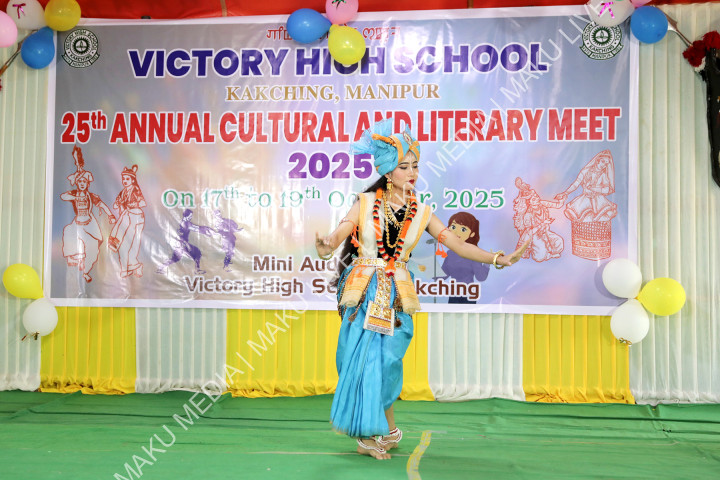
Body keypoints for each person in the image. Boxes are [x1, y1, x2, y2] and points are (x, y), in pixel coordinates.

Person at [314, 120, 528, 460]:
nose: (412, 172)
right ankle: (367, 436)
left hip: (397, 294)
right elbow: (340, 233)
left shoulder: (423, 212)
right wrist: (326, 246)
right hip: (364, 290)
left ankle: (388, 429)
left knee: (389, 361)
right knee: (363, 360)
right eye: (404, 166)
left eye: (415, 166)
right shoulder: (365, 203)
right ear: (388, 171)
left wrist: (497, 258)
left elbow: (457, 244)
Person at [60, 146, 116, 283]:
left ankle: (86, 270)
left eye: (84, 181)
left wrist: (110, 215)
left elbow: (102, 205)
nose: (82, 183)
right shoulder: (74, 193)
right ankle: (74, 259)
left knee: (97, 246)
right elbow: (63, 196)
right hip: (78, 223)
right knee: (68, 233)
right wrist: (75, 194)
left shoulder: (92, 195)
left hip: (90, 222)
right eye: (80, 181)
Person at [437, 212, 490, 304]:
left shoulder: (473, 253)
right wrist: (428, 267)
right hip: (454, 293)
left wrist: (488, 261)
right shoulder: (450, 254)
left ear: (472, 234)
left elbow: (481, 277)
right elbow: (442, 276)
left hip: (468, 293)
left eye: (463, 229)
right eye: (453, 227)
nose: (456, 232)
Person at [513, 177, 564, 262]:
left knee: (558, 241)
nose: (537, 199)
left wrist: (562, 200)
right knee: (540, 256)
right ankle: (540, 250)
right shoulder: (528, 215)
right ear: (529, 202)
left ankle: (550, 252)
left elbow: (557, 205)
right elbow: (530, 231)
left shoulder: (541, 203)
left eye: (536, 197)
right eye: (534, 199)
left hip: (545, 232)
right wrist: (543, 223)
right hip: (534, 235)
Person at [109, 165, 146, 278]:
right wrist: (118, 204)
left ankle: (134, 266)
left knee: (133, 244)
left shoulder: (135, 190)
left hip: (136, 218)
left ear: (132, 180)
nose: (125, 181)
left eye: (127, 179)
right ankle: (127, 267)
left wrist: (133, 204)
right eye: (123, 179)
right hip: (127, 217)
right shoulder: (123, 192)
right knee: (124, 244)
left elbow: (143, 203)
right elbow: (116, 205)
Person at [156, 209, 212, 275]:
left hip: (178, 244)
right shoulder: (186, 223)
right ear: (186, 216)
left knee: (176, 258)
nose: (191, 217)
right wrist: (206, 230)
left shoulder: (182, 222)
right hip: (182, 244)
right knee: (197, 253)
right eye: (190, 216)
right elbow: (196, 228)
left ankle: (160, 267)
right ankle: (197, 270)